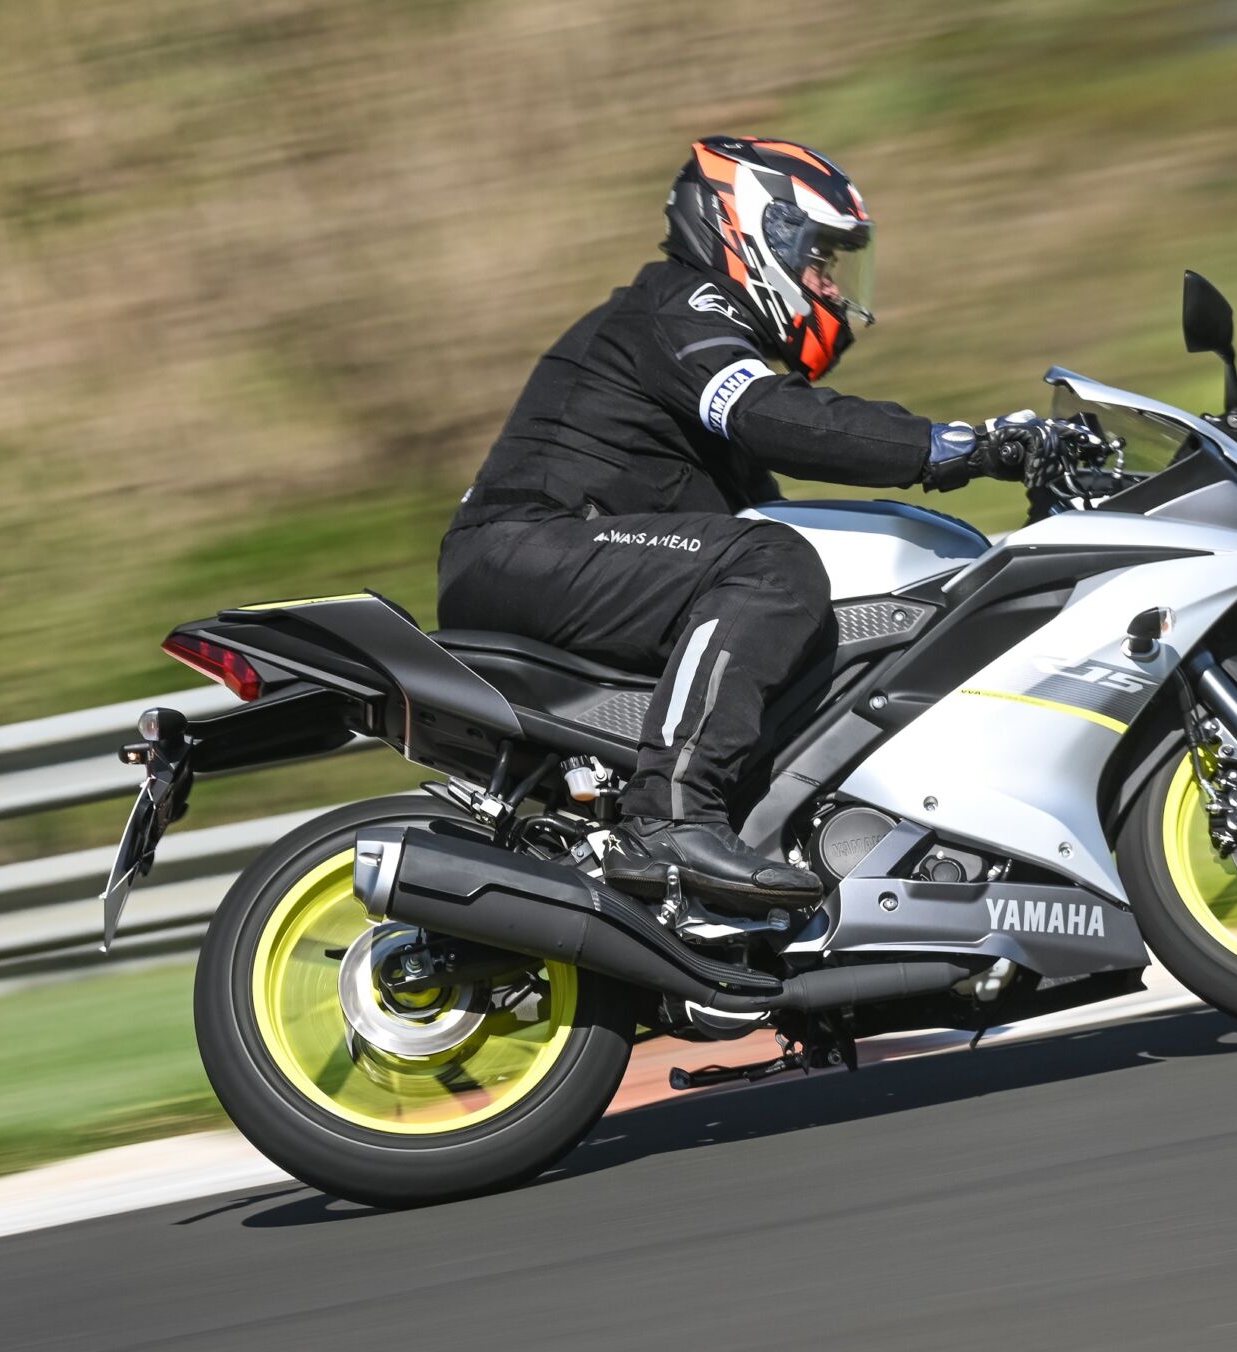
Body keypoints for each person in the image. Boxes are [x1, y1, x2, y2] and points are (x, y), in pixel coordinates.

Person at [438, 135, 1038, 911]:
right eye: (819, 255)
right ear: (756, 230)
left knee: (804, 578)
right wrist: (954, 446)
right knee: (769, 563)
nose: (828, 281)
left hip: (556, 554)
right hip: (526, 546)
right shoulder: (683, 306)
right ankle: (672, 816)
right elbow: (770, 415)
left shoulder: (696, 336)